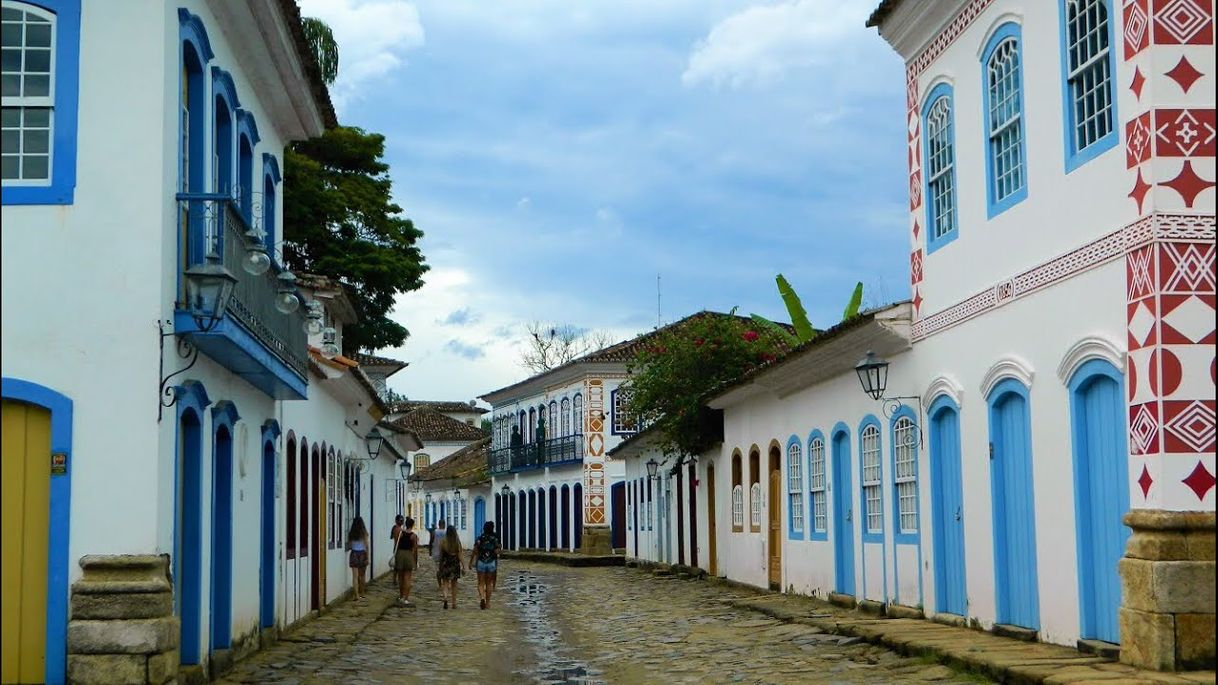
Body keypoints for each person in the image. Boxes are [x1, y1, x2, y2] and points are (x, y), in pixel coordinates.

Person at [469, 521, 501, 610]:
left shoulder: (480, 538)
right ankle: (488, 603)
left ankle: (482, 598)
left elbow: (475, 550)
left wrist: (471, 562)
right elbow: (498, 551)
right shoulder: (494, 539)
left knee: (480, 583)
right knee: (489, 583)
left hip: (481, 562)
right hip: (491, 563)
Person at [437, 527, 466, 609]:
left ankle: (446, 598)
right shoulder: (457, 542)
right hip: (455, 565)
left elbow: (441, 556)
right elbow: (460, 555)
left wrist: (440, 566)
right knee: (454, 584)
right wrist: (464, 566)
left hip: (446, 564)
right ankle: (454, 602)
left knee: (445, 583)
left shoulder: (443, 542)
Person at [393, 516, 419, 606]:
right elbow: (415, 550)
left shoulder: (401, 533)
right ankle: (406, 598)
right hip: (408, 555)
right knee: (407, 577)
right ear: (412, 525)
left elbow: (396, 544)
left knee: (400, 577)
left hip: (400, 554)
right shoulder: (413, 536)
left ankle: (401, 596)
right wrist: (415, 561)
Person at [346, 517, 370, 600]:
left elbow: (349, 545)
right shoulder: (364, 533)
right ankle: (362, 593)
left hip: (354, 554)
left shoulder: (351, 534)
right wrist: (368, 557)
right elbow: (367, 546)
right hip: (363, 554)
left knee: (355, 577)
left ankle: (356, 595)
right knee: (362, 576)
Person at [431, 518, 448, 589]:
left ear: (438, 524)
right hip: (445, 554)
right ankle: (445, 583)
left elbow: (431, 541)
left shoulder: (434, 532)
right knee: (445, 568)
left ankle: (440, 584)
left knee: (438, 570)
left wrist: (429, 550)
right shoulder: (447, 532)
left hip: (436, 553)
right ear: (444, 524)